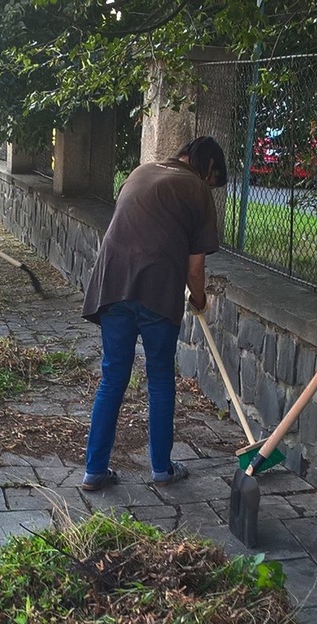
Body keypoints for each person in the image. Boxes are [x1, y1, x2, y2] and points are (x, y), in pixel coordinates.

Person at [79, 136, 227, 490]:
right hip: (158, 290)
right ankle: (161, 468)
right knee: (160, 377)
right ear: (207, 167)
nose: (210, 185)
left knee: (113, 377)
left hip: (112, 283)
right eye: (213, 179)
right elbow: (195, 268)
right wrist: (200, 299)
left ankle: (93, 470)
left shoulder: (140, 171)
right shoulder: (196, 188)